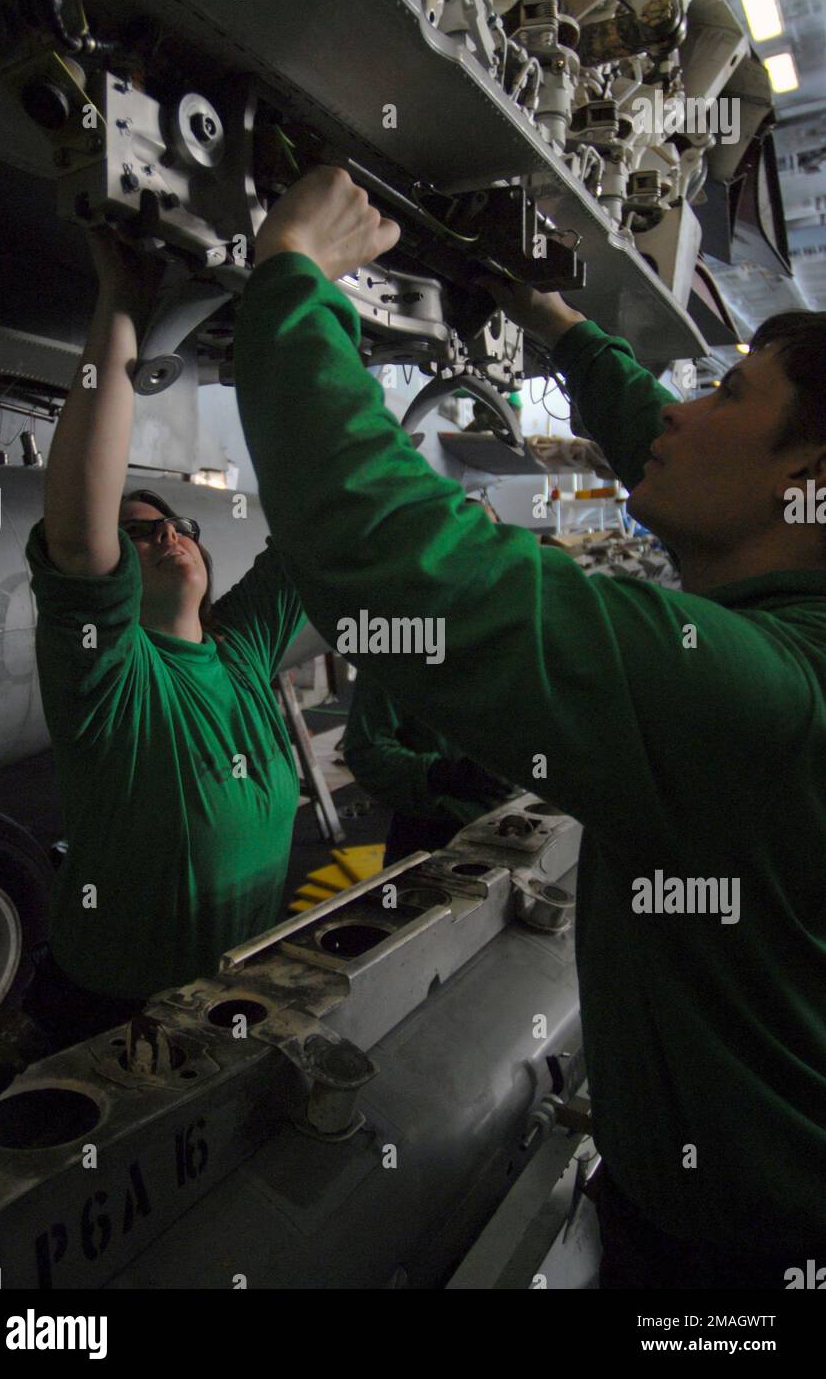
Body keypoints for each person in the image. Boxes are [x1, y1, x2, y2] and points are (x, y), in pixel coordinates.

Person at [230, 166, 826, 1289]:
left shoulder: (756, 694)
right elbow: (673, 440)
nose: (683, 409)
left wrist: (294, 276)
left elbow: (389, 550)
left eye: (729, 394)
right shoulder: (796, 609)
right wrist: (553, 322)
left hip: (728, 1258)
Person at [21, 228, 306, 1053]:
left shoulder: (243, 654)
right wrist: (122, 302)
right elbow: (78, 541)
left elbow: (306, 527)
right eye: (139, 536)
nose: (168, 535)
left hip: (235, 994)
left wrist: (283, 328)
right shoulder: (111, 674)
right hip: (111, 1016)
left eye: (177, 524)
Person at [343, 500, 517, 864]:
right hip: (433, 835)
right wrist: (441, 774)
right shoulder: (401, 639)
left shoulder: (516, 626)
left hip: (517, 825)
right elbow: (366, 749)